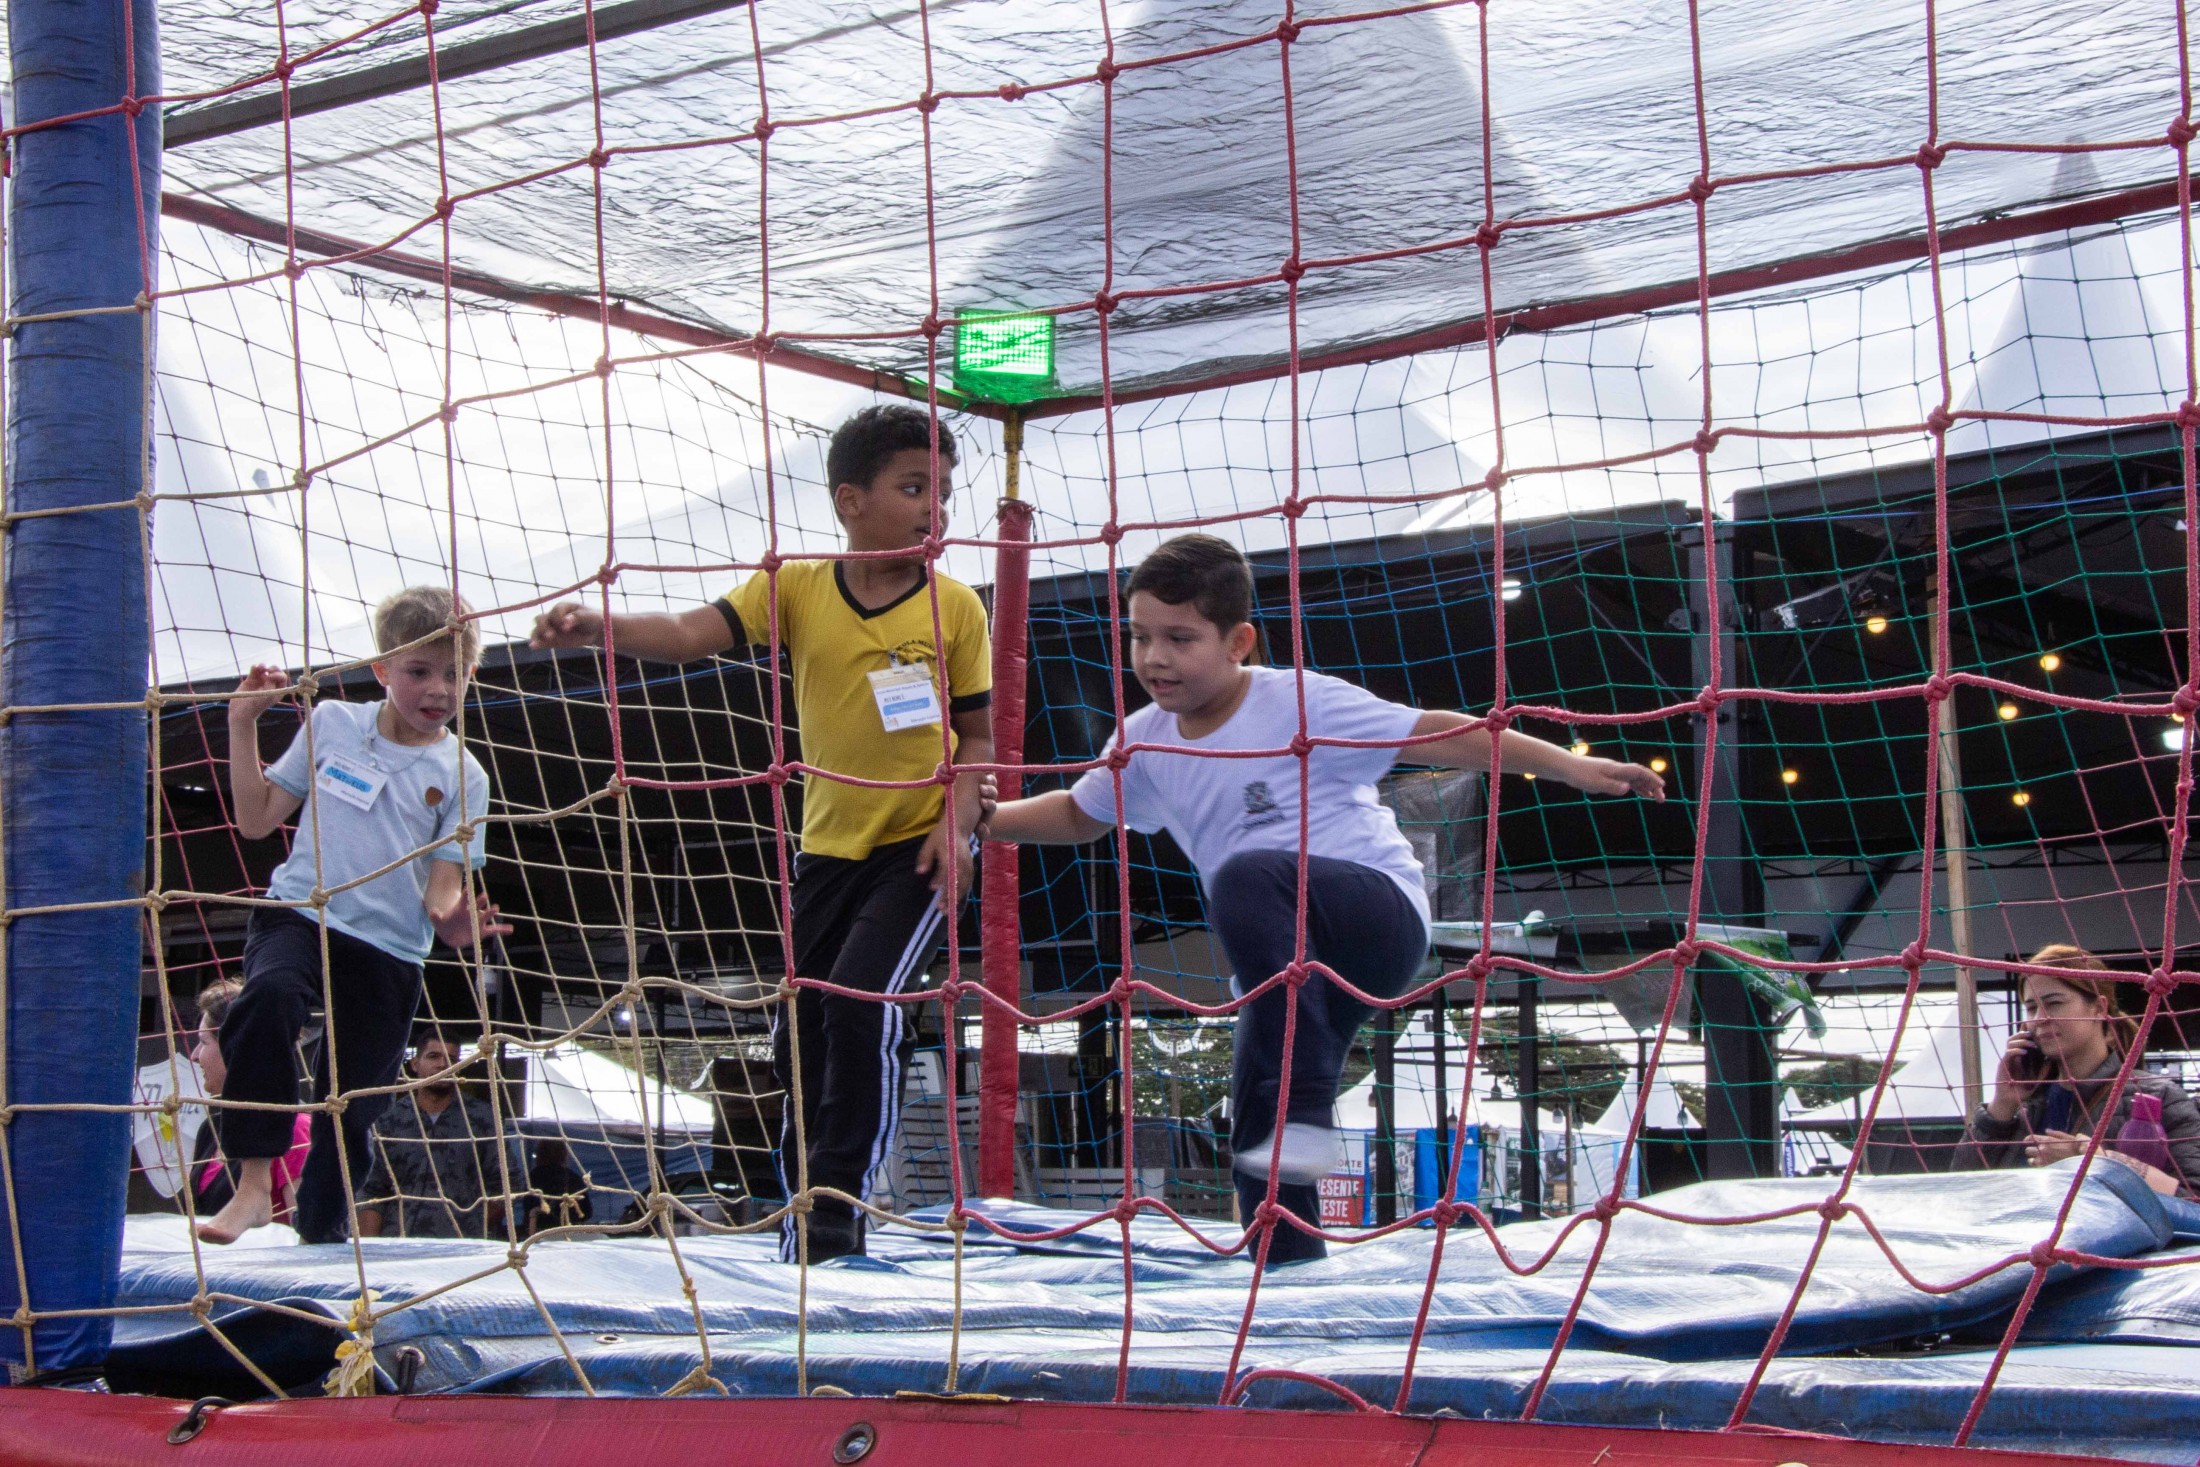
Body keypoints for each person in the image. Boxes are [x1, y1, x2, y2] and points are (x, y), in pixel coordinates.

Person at [985, 533, 1664, 1261]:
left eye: (1180, 639)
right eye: (1140, 636)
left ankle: (1305, 1107)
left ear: (1238, 641)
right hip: (1281, 970)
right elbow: (1080, 814)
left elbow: (1439, 735)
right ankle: (1289, 1272)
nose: (1154, 658)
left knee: (1245, 877)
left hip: (1373, 918)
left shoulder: (1298, 703)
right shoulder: (1142, 741)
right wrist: (983, 821)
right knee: (1259, 1150)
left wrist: (1572, 768)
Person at [529, 405, 992, 1262]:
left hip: (915, 852)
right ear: (850, 501)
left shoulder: (956, 606)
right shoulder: (799, 588)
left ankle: (839, 1203)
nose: (935, 508)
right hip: (826, 852)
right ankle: (801, 1194)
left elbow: (980, 740)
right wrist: (602, 626)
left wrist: (956, 824)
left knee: (860, 1001)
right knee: (801, 1027)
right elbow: (686, 635)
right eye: (913, 488)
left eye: (943, 492)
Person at [200, 586, 510, 1245]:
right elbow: (256, 820)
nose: (438, 689)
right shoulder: (335, 723)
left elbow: (443, 891)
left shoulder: (464, 774)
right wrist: (242, 723)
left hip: (388, 948)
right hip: (301, 914)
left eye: (454, 673)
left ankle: (322, 1221)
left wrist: (457, 925)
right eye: (419, 671)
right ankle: (253, 1185)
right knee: (268, 998)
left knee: (353, 1102)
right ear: (382, 669)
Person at [1960, 944, 2200, 1197]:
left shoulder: (2159, 1096)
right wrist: (2001, 1106)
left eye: (2054, 1003)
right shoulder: (2025, 1105)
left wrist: (2090, 1162)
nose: (2039, 1018)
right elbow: (1964, 1191)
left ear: (2099, 1008)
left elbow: (2193, 1198)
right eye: (2031, 1008)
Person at [355, 1029, 528, 1239]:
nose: (443, 1064)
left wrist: (471, 1223)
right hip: (399, 1244)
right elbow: (371, 1191)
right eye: (433, 1056)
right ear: (415, 1064)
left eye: (451, 1059)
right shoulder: (388, 1121)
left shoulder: (482, 1120)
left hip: (462, 1246)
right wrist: (371, 1247)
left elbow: (509, 1184)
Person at [185, 978, 313, 1227]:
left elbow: (306, 1234)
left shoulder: (296, 1130)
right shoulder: (212, 1128)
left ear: (236, 1046)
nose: (194, 1056)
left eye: (203, 1042)